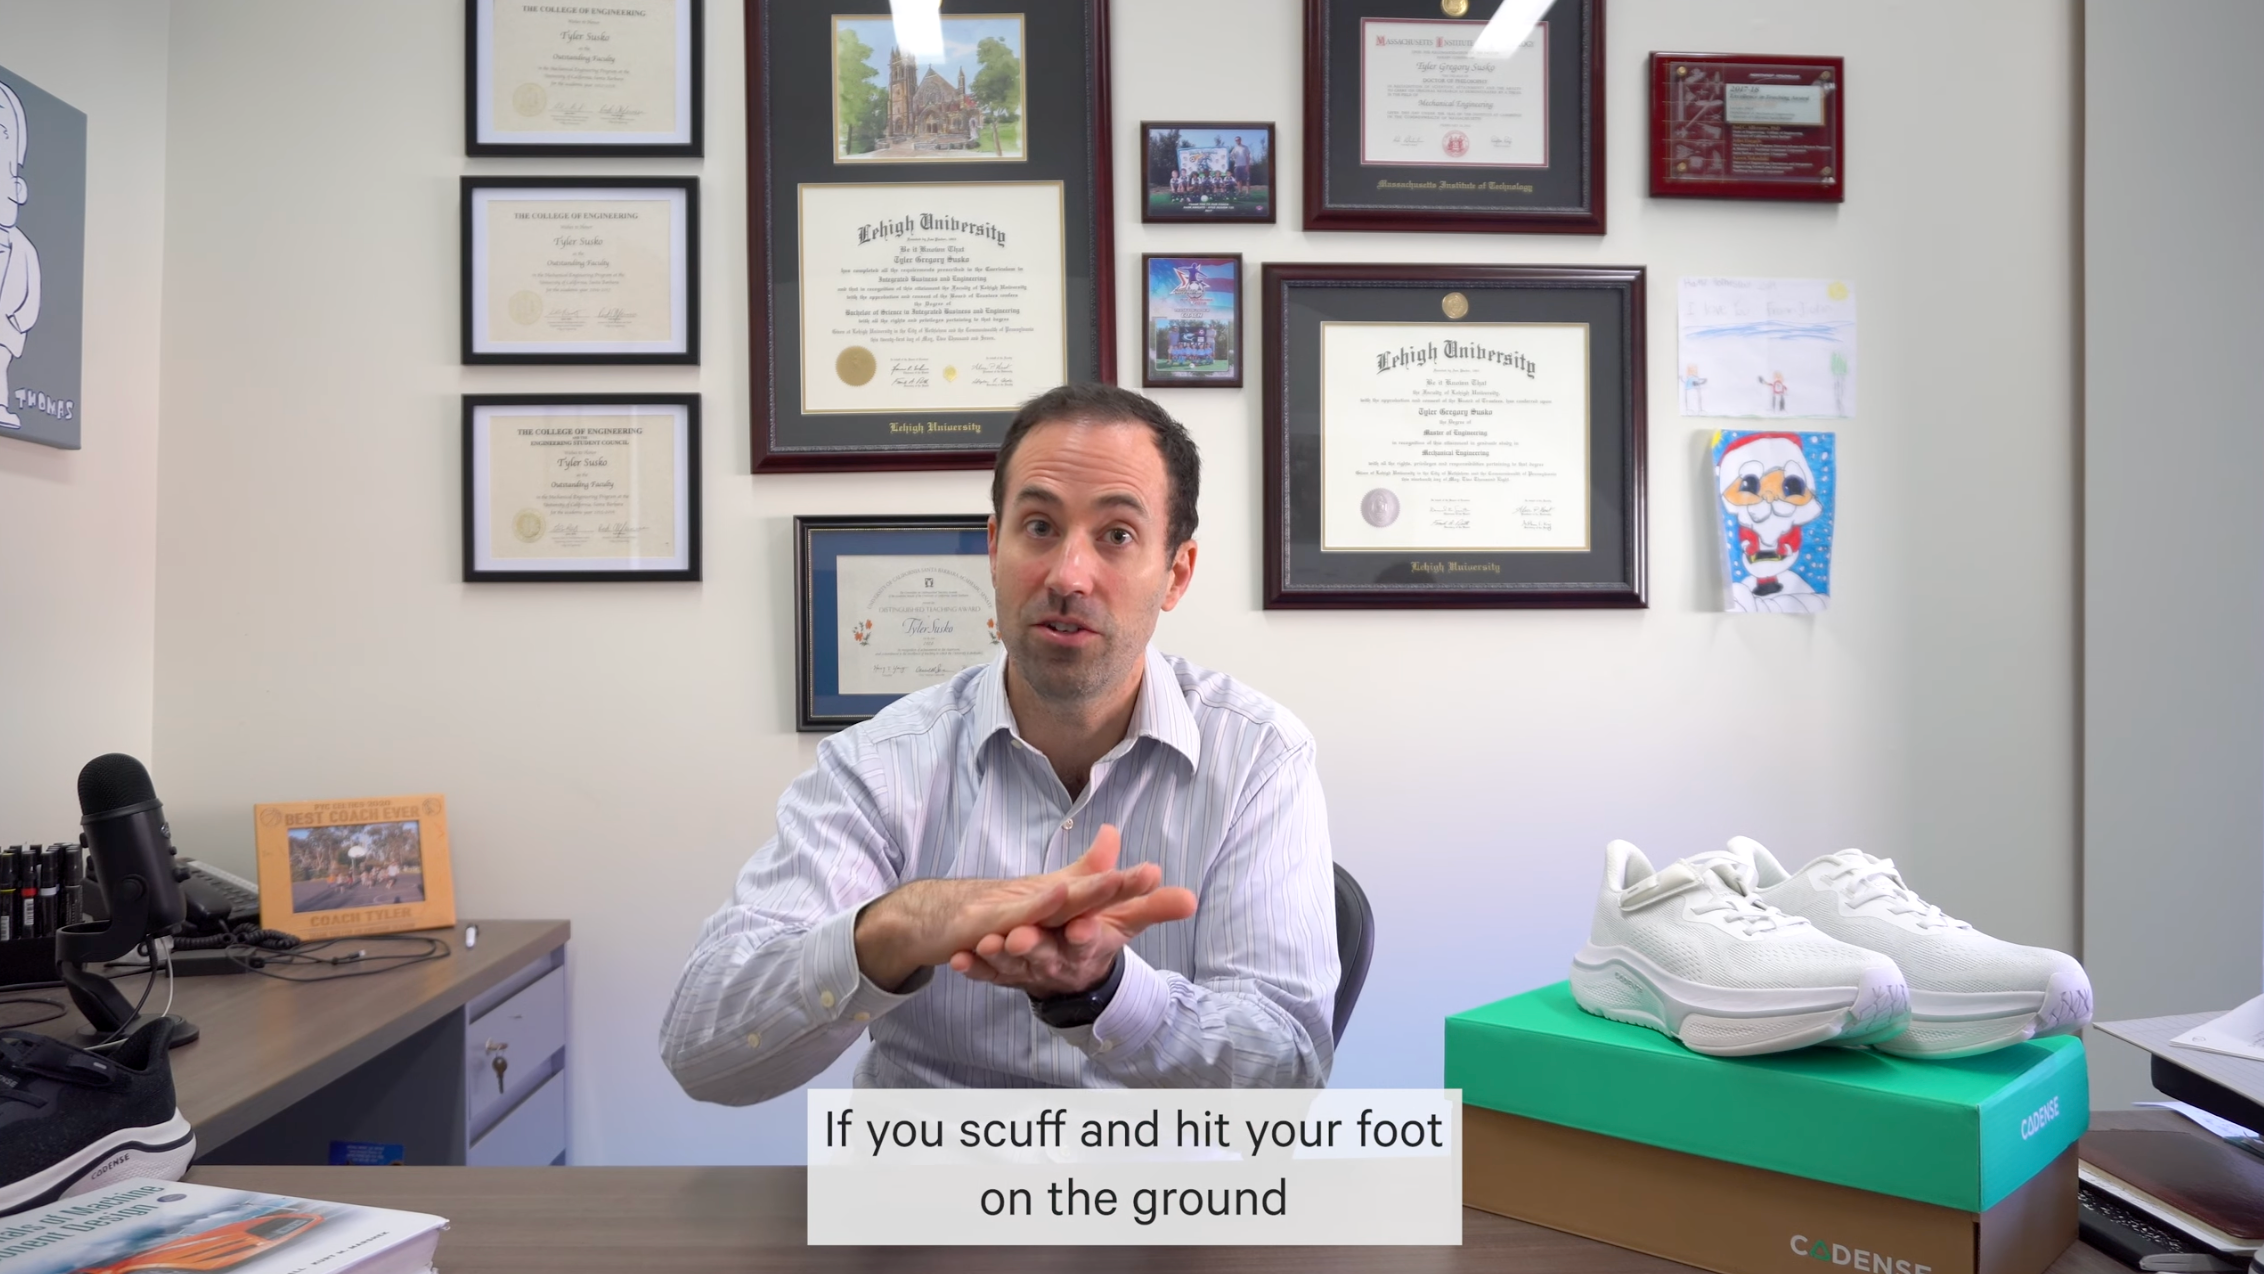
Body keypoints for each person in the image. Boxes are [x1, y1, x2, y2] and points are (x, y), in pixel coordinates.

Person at [660, 384, 1338, 1099]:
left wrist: (1106, 992)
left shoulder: (1259, 757)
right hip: (925, 1191)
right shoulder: (879, 764)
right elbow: (702, 1052)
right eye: (1040, 527)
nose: (1068, 576)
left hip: (1156, 1194)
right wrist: (893, 930)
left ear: (1176, 574)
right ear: (994, 548)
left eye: (1116, 536)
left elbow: (1288, 1072)